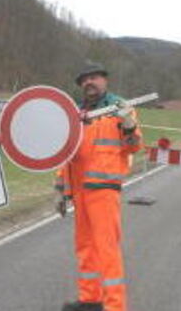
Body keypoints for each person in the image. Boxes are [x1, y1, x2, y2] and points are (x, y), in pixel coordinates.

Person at [56, 61, 144, 311]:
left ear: (105, 80)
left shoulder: (119, 108)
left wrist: (128, 124)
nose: (89, 82)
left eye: (94, 77)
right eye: (84, 80)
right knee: (84, 247)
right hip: (79, 190)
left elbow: (134, 145)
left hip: (104, 189)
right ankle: (90, 300)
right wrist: (60, 189)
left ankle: (115, 306)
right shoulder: (75, 114)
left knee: (106, 249)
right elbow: (65, 153)